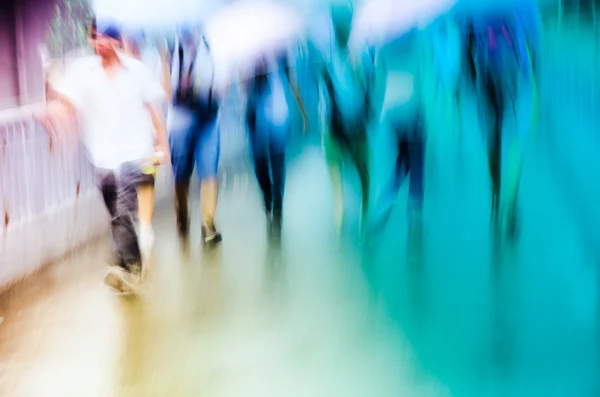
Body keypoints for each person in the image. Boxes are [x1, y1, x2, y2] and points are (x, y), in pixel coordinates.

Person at [39, 19, 169, 294]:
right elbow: (67, 106)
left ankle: (129, 268)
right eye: (94, 37)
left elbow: (153, 109)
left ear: (117, 40)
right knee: (115, 208)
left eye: (104, 38)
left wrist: (163, 143)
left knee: (123, 205)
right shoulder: (82, 71)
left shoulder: (136, 71)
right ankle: (125, 260)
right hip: (103, 156)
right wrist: (51, 116)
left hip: (137, 152)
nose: (98, 43)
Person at [465, 7, 534, 244]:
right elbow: (532, 39)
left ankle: (495, 195)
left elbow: (468, 43)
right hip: (514, 70)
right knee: (516, 138)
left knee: (492, 138)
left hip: (485, 69)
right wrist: (535, 80)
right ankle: (510, 205)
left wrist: (472, 83)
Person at [317, 4, 374, 235]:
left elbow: (366, 90)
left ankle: (346, 221)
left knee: (347, 183)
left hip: (336, 127)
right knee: (361, 176)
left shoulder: (333, 53)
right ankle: (360, 218)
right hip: (347, 126)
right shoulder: (357, 53)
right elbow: (368, 93)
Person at [164, 27, 222, 246]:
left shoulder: (212, 44)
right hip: (180, 121)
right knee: (181, 177)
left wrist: (212, 88)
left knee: (209, 172)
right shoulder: (171, 44)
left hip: (208, 117)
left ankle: (208, 225)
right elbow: (165, 89)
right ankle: (182, 216)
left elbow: (223, 81)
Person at [244, 52, 308, 237]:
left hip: (279, 117)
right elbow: (244, 86)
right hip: (256, 120)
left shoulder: (282, 53)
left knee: (278, 168)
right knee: (260, 167)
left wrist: (302, 112)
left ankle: (277, 214)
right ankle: (268, 196)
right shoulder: (251, 55)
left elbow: (292, 82)